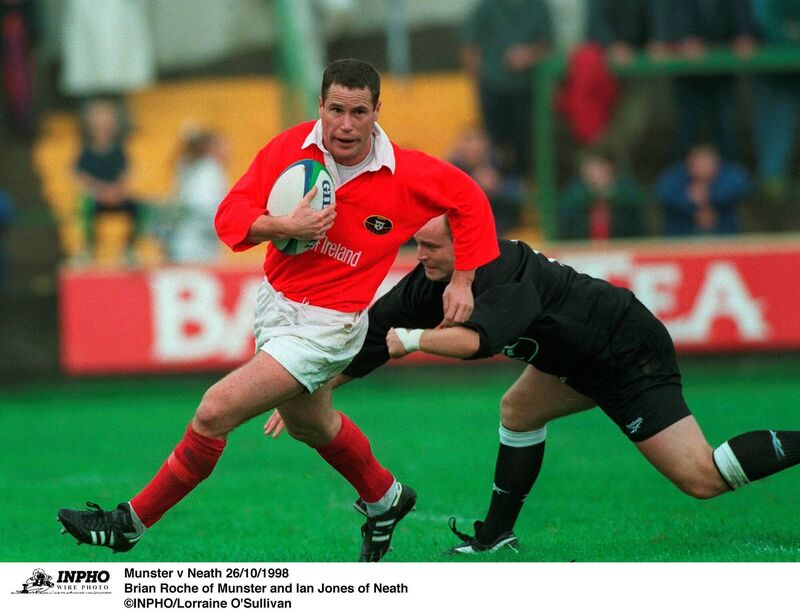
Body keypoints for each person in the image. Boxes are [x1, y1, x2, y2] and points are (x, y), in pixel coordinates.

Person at [57, 59, 500, 562]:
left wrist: (462, 279)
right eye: (336, 109)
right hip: (275, 305)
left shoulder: (408, 172)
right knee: (312, 424)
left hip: (330, 326)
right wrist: (283, 224)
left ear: (378, 111)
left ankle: (129, 524)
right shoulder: (290, 151)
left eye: (359, 111)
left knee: (214, 410)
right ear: (320, 106)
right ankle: (386, 499)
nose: (346, 124)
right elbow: (230, 218)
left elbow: (469, 199)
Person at [267, 214, 800, 554]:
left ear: (468, 244)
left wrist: (413, 340)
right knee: (519, 411)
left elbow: (476, 343)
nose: (420, 256)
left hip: (624, 350)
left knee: (701, 478)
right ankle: (496, 535)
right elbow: (371, 339)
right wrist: (308, 385)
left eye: (432, 247)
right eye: (418, 245)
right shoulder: (428, 281)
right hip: (575, 357)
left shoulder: (508, 277)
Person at [460, 0, 554, 177]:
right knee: (492, 143)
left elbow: (549, 45)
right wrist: (479, 81)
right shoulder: (486, 8)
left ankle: (521, 185)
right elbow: (470, 48)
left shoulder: (539, 8)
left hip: (527, 90)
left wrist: (529, 55)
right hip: (492, 89)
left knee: (526, 143)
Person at [73, 98, 143, 262]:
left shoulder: (119, 150)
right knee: (85, 206)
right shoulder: (86, 152)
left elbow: (127, 172)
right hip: (96, 197)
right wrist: (99, 190)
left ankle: (130, 248)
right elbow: (80, 176)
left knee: (139, 207)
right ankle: (88, 249)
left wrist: (116, 190)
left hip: (116, 195)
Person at [656, 143, 752, 236]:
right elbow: (663, 192)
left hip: (724, 237)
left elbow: (743, 185)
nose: (702, 168)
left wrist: (710, 195)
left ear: (717, 164)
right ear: (688, 163)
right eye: (698, 163)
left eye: (707, 163)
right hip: (680, 237)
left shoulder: (731, 175)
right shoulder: (674, 177)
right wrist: (689, 202)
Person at [168, 128, 229, 262]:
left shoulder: (187, 166)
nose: (228, 150)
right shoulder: (209, 169)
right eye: (222, 145)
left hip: (190, 236)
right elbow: (203, 205)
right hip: (195, 239)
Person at [558, 148, 645, 240]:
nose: (589, 172)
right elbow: (565, 222)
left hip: (622, 246)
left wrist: (608, 194)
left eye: (595, 167)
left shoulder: (627, 191)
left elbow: (638, 225)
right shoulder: (574, 193)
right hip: (582, 249)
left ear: (609, 167)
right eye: (585, 168)